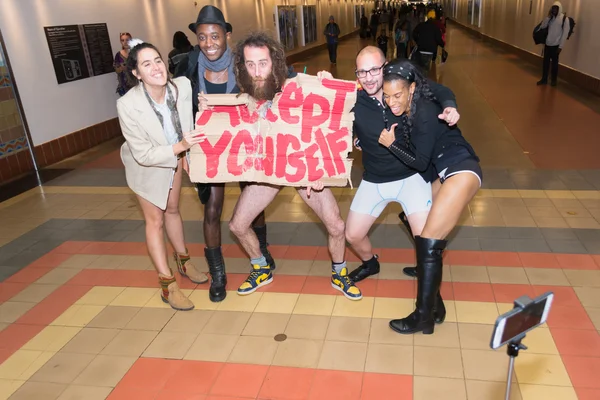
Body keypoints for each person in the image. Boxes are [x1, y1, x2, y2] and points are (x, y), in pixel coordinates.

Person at [208, 31, 362, 300]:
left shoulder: (296, 84)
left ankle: (340, 272)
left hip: (301, 167)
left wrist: (326, 85)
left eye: (263, 63)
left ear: (275, 61)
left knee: (336, 225)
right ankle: (261, 267)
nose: (257, 71)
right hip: (268, 170)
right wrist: (210, 112)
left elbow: (327, 120)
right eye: (250, 64)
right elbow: (228, 127)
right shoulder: (242, 89)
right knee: (237, 225)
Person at [346, 46, 460, 324]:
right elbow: (321, 105)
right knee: (352, 235)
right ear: (357, 74)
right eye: (363, 71)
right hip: (374, 178)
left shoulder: (402, 88)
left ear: (386, 66)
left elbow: (439, 89)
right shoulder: (352, 96)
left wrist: (450, 106)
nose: (370, 77)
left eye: (375, 69)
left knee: (427, 244)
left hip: (411, 176)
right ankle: (371, 263)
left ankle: (433, 300)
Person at [175, 6, 275, 303]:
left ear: (226, 35)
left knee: (253, 201)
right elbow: (177, 106)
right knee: (212, 208)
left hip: (245, 143)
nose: (209, 42)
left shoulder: (243, 64)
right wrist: (182, 148)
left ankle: (263, 251)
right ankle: (218, 274)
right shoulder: (187, 67)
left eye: (215, 35)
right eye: (202, 37)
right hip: (210, 147)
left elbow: (277, 81)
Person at [380, 59, 481, 335]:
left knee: (430, 242)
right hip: (446, 172)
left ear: (411, 89)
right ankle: (430, 285)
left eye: (397, 95)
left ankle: (424, 317)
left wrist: (392, 145)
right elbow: (440, 89)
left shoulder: (423, 110)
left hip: (461, 169)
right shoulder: (416, 98)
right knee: (411, 218)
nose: (391, 102)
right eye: (386, 96)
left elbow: (420, 162)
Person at [117, 39, 209, 311]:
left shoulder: (181, 86)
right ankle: (167, 285)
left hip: (175, 157)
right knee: (155, 220)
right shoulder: (127, 105)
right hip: (144, 166)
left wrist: (187, 154)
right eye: (146, 64)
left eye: (157, 60)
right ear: (136, 73)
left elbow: (188, 125)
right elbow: (144, 154)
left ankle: (184, 261)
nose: (156, 67)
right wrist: (181, 147)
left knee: (172, 209)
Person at [536, 1, 570, 87]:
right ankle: (544, 79)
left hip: (556, 46)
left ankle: (553, 81)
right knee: (545, 63)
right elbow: (543, 26)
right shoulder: (551, 18)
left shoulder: (564, 19)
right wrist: (548, 17)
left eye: (556, 8)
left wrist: (560, 46)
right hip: (548, 44)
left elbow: (564, 34)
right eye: (553, 8)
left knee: (554, 64)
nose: (554, 9)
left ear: (559, 9)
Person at [114, 32, 134, 96]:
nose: (125, 42)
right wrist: (121, 68)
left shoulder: (136, 52)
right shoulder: (118, 55)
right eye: (122, 40)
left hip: (137, 83)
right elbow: (117, 70)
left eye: (127, 40)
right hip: (125, 85)